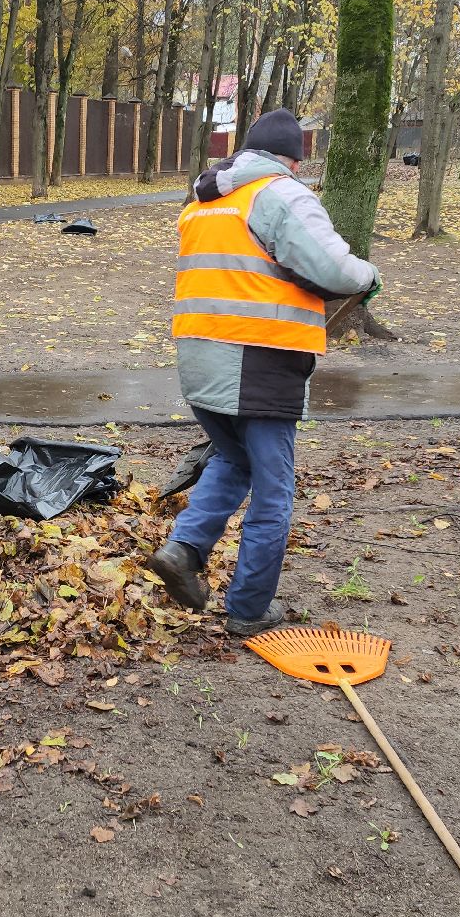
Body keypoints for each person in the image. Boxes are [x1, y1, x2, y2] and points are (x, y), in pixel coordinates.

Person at [146, 108, 380, 637]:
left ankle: (183, 550)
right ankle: (249, 609)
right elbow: (334, 269)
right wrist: (369, 274)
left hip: (199, 355)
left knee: (234, 459)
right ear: (291, 160)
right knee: (274, 490)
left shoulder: (204, 203)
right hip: (259, 361)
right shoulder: (280, 195)